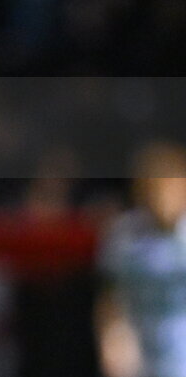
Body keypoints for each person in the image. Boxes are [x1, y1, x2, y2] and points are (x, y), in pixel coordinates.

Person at [96, 141, 186, 377]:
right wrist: (112, 338)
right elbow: (110, 297)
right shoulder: (123, 236)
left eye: (168, 187)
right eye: (152, 187)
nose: (160, 197)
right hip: (142, 362)